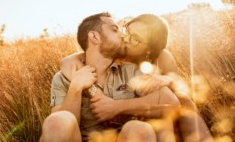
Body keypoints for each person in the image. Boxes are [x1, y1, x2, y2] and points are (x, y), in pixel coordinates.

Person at [59, 14, 213, 142]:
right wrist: (68, 62)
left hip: (156, 113)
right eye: (127, 30)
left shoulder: (162, 57)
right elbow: (72, 61)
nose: (125, 38)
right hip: (130, 122)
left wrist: (169, 80)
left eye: (135, 38)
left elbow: (180, 97)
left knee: (184, 106)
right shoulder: (117, 54)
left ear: (148, 49)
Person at [40, 12, 180, 142]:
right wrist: (75, 89)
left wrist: (116, 107)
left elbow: (172, 102)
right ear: (94, 37)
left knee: (139, 129)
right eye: (114, 30)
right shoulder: (63, 77)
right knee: (56, 121)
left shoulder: (130, 71)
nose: (123, 36)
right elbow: (60, 128)